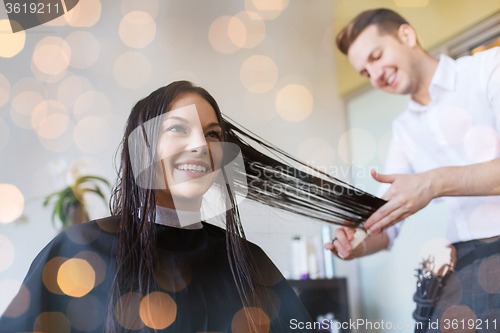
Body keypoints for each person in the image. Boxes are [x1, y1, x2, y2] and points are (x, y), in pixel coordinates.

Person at [0, 81, 384, 332]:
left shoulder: (248, 262)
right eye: (178, 128)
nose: (201, 145)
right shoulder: (76, 251)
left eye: (213, 134)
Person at [325, 8, 500, 330]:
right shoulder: (404, 130)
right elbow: (388, 223)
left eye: (376, 56)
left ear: (407, 35)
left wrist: (434, 182)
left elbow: (428, 185)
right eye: (365, 72)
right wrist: (356, 243)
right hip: (468, 261)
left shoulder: (488, 68)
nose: (375, 75)